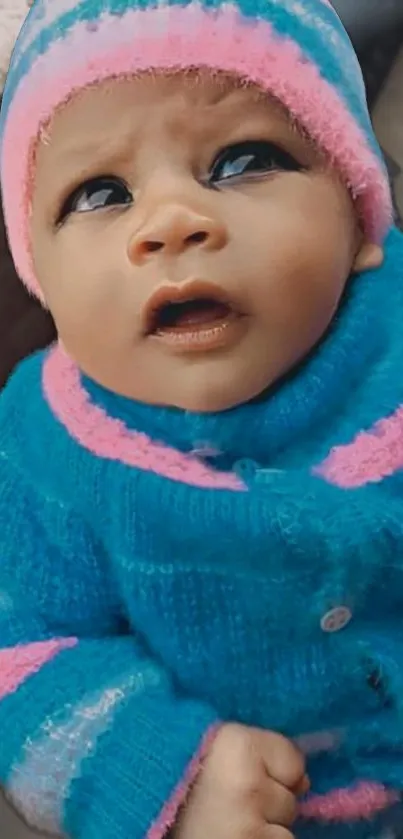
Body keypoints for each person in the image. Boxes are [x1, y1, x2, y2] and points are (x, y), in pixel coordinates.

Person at [0, 1, 403, 838]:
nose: (172, 222)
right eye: (101, 192)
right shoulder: (45, 447)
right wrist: (164, 777)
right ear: (41, 275)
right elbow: (21, 652)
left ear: (359, 216)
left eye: (241, 160)